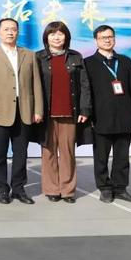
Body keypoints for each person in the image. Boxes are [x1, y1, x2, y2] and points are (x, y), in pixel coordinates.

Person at [0, 18, 43, 205]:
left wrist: (38, 109)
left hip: (24, 111)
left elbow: (36, 84)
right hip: (0, 113)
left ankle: (19, 189)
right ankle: (2, 190)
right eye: (6, 29)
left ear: (18, 32)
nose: (10, 32)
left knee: (21, 153)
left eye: (14, 29)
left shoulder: (29, 55)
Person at [35, 21, 92, 204]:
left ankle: (67, 190)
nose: (56, 37)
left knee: (68, 153)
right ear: (46, 38)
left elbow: (84, 85)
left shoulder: (76, 57)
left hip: (69, 113)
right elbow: (33, 86)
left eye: (60, 33)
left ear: (66, 36)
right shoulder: (38, 57)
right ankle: (52, 189)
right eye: (52, 34)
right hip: (46, 115)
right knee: (49, 153)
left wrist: (85, 109)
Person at [85, 25, 131, 204]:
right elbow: (86, 92)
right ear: (96, 40)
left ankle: (120, 188)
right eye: (103, 37)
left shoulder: (125, 61)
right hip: (101, 117)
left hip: (125, 115)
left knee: (122, 156)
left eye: (110, 37)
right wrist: (89, 116)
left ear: (115, 39)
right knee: (101, 157)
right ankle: (105, 188)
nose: (107, 40)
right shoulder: (88, 63)